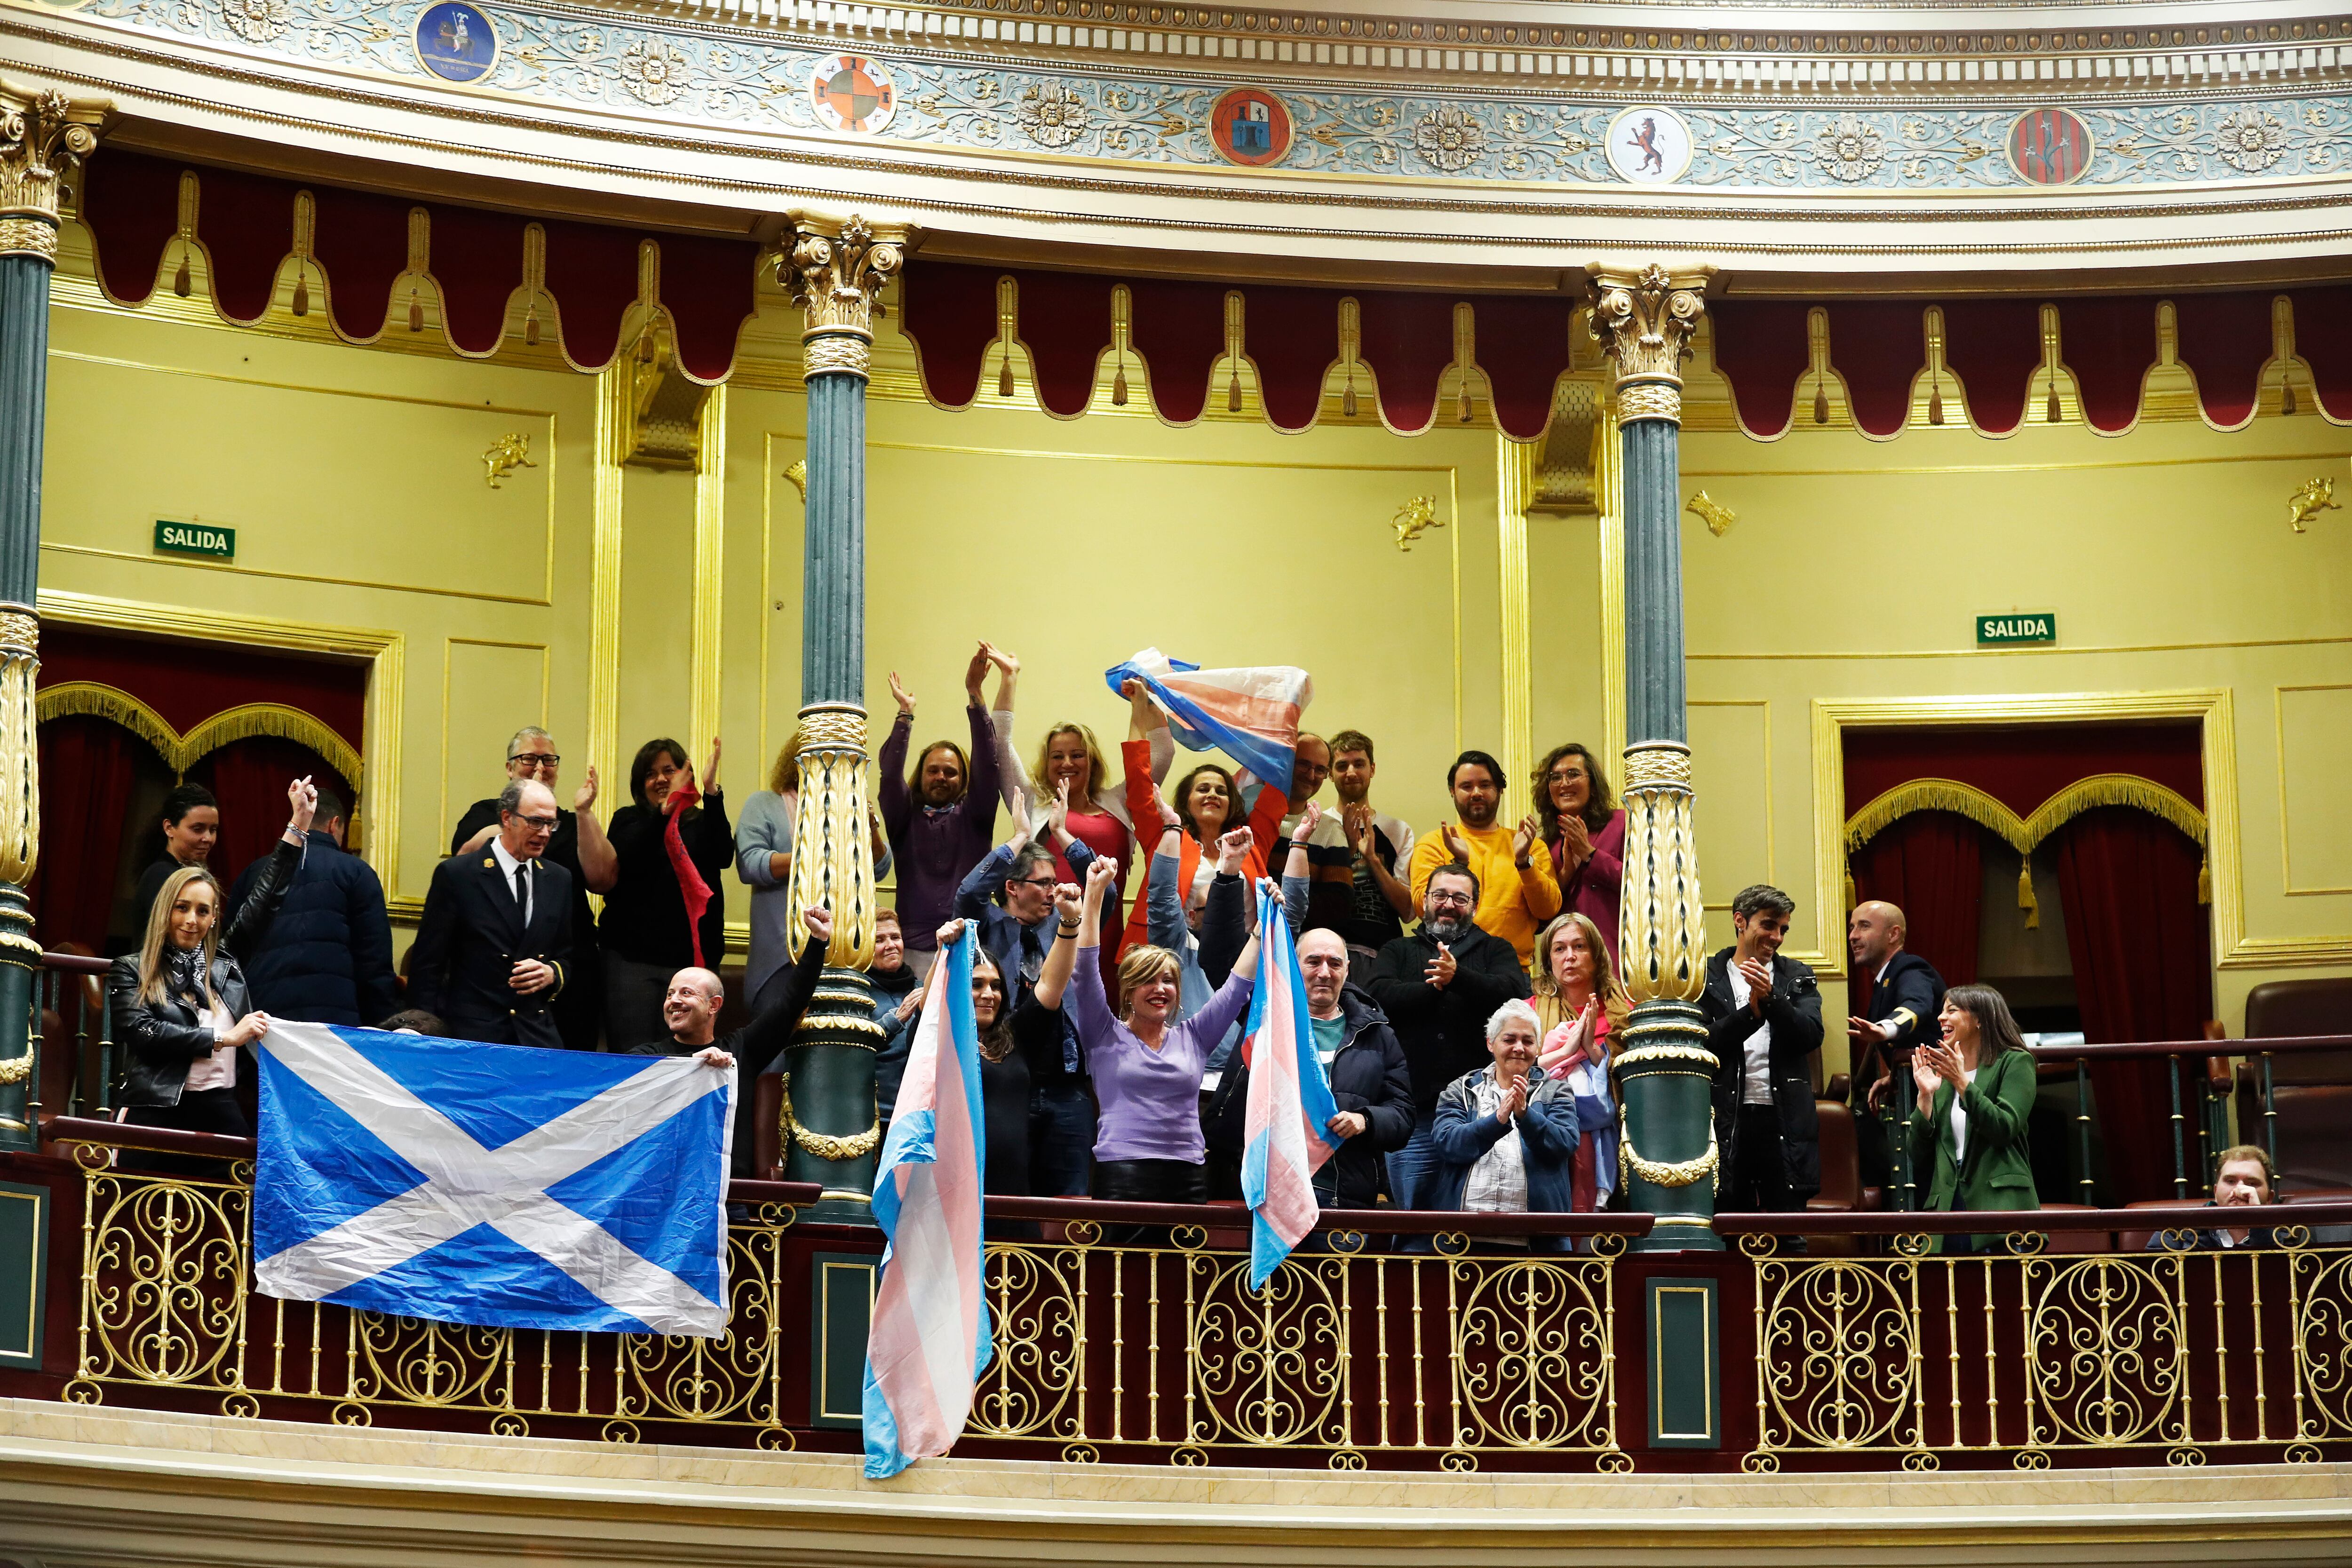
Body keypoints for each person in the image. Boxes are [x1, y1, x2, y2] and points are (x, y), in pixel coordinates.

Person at [109, 777, 312, 1149]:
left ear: (214, 917)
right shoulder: (131, 967)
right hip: (154, 1110)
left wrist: (297, 826)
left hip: (220, 1109)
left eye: (203, 910)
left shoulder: (223, 964)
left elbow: (264, 903)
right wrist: (224, 1038)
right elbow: (144, 1033)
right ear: (164, 910)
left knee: (231, 1205)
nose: (191, 919)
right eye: (182, 908)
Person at [1069, 856, 1261, 1203]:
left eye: (1169, 980)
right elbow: (1084, 969)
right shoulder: (1103, 1032)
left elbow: (1236, 989)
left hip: (1187, 1176)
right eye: (1147, 980)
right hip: (1121, 1175)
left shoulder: (1195, 1036)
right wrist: (1094, 897)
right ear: (1127, 990)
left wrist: (1261, 933)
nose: (1160, 989)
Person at [1206, 924, 1414, 1211]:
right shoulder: (1266, 1027)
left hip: (1344, 1198)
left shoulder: (1378, 1034)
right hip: (1269, 1196)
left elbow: (1403, 1116)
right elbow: (1229, 1109)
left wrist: (1366, 1120)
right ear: (1295, 965)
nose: (1325, 973)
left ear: (1348, 969)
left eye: (1335, 963)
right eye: (1313, 962)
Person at [1367, 862, 1533, 1210]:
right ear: (1425, 900)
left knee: (1479, 1210)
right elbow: (1379, 995)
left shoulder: (1496, 949)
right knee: (1414, 1215)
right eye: (1440, 895)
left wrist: (1459, 978)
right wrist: (1436, 988)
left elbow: (1514, 994)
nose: (1448, 904)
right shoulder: (1397, 949)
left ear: (1475, 905)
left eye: (1460, 898)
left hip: (1483, 1112)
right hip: (1414, 1112)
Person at [985, 645, 1174, 947]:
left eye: (1077, 755)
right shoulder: (1034, 805)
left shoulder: (1120, 803)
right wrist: (1010, 678)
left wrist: (1143, 702)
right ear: (1047, 764)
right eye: (1057, 756)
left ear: (1093, 760)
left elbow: (1162, 752)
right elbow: (1000, 745)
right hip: (1046, 944)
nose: (1067, 764)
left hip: (1109, 941)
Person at [623, 906, 832, 1177]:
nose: (674, 1001)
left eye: (686, 993)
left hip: (729, 1193)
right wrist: (690, 1065)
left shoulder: (742, 1050)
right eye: (670, 994)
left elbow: (791, 1003)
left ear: (714, 1005)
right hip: (661, 1190)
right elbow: (625, 1086)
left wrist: (817, 942)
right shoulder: (648, 1055)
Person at [450, 727, 615, 1051]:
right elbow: (464, 859)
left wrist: (584, 812)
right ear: (510, 768)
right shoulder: (485, 813)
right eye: (529, 758)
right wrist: (523, 813)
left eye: (548, 760)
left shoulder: (568, 823)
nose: (540, 767)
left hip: (566, 967)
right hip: (497, 969)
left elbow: (603, 879)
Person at [1118, 678, 1287, 957]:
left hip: (1241, 961)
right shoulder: (1165, 837)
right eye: (1203, 789)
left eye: (1221, 791)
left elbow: (1276, 790)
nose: (1212, 795)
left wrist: (1283, 717)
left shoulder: (1249, 842)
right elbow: (1138, 781)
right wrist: (1138, 706)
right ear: (1186, 801)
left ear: (1232, 802)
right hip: (1169, 959)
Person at [734, 727, 893, 1016]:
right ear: (799, 761)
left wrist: (869, 825)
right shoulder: (764, 804)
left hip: (846, 954)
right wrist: (817, 854)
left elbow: (880, 869)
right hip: (782, 958)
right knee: (779, 1053)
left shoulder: (848, 809)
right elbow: (751, 863)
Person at [408, 778, 575, 1049]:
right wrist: (422, 1036)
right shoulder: (459, 875)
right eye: (536, 822)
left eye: (551, 824)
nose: (545, 833)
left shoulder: (559, 879)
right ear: (507, 818)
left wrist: (552, 973)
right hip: (473, 1035)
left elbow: (566, 955)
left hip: (536, 1035)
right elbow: (428, 966)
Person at [879, 645, 1007, 977]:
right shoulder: (902, 817)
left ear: (963, 778)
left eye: (950, 772)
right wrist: (905, 715)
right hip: (915, 948)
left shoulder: (975, 815)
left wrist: (975, 695)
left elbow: (989, 765)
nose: (940, 777)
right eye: (933, 770)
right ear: (921, 775)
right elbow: (890, 774)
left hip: (970, 944)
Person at [599, 737, 731, 1053]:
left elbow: (724, 854)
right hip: (633, 963)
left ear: (684, 775)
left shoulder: (700, 822)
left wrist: (711, 790)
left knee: (687, 1061)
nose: (659, 779)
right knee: (634, 1059)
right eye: (650, 774)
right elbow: (628, 861)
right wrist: (663, 813)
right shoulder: (628, 820)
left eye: (668, 770)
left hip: (693, 964)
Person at [227, 782, 397, 1028]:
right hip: (335, 1020)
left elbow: (231, 953)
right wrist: (382, 1027)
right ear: (334, 824)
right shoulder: (358, 873)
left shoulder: (253, 873)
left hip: (262, 1019)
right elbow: (374, 961)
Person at [1702, 885, 1826, 1214]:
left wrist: (1771, 1000)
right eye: (1769, 925)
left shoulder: (1796, 976)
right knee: (1728, 1223)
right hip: (1726, 1115)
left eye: (1783, 929)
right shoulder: (1707, 976)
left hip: (1783, 1116)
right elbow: (1702, 1042)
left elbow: (1811, 1034)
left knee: (1789, 1231)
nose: (1777, 937)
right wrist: (1751, 1014)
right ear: (1740, 921)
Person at [1423, 999, 1583, 1250]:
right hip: (1463, 1240)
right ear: (1491, 1043)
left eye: (1528, 1041)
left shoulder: (1557, 1091)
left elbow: (1565, 1143)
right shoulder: (1462, 1089)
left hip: (1536, 1242)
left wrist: (1525, 1116)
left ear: (1538, 1047)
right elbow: (1448, 1143)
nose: (1519, 1048)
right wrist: (1497, 1121)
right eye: (1510, 1040)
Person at [1907, 983, 2038, 1250]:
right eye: (1942, 1012)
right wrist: (1925, 1098)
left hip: (2000, 1206)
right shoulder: (1943, 1075)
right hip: (1947, 1208)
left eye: (1952, 1010)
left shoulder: (2015, 1063)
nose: (1941, 1018)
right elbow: (1917, 1155)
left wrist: (1963, 1084)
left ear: (1979, 1019)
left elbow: (2004, 1127)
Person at [1405, 751, 1562, 969]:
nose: (1476, 793)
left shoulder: (1530, 845)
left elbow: (1548, 910)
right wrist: (1458, 864)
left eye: (1485, 785)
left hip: (1513, 970)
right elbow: (1423, 908)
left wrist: (1524, 862)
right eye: (1466, 787)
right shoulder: (1434, 844)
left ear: (1500, 790)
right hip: (1448, 967)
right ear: (1453, 792)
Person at [1528, 910, 1630, 1211]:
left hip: (1615, 1135)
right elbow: (1513, 1073)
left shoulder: (1626, 1013)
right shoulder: (1528, 1013)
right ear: (1549, 962)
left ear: (1597, 955)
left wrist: (1591, 1048)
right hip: (1548, 1130)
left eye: (1580, 947)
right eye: (1559, 949)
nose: (1569, 957)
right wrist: (1564, 1053)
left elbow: (1633, 1075)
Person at [1848, 899, 1948, 1203]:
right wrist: (1893, 1075)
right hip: (1914, 1091)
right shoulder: (1884, 981)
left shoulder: (1910, 967)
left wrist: (1885, 1029)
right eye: (1852, 927)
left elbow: (1917, 1006)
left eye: (1864, 926)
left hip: (1938, 1098)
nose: (1853, 935)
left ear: (1893, 934)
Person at [1532, 743, 1626, 970]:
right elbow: (1538, 922)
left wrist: (1589, 855)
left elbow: (1643, 888)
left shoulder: (1623, 823)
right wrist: (1565, 876)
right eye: (1555, 778)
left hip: (1617, 960)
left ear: (1593, 784)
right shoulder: (1544, 844)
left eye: (1573, 774)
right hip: (1566, 968)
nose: (1564, 783)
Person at [1327, 730, 1416, 966]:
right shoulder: (1317, 825)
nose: (1351, 772)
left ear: (1372, 769)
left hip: (1385, 955)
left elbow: (1408, 912)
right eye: (1342, 766)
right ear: (1329, 773)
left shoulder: (1398, 830)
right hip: (1330, 953)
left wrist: (1372, 860)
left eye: (1359, 764)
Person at [2145, 1146, 2280, 1251]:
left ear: (2270, 1198)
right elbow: (2152, 1279)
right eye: (2231, 1181)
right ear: (2216, 1191)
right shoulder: (2177, 1232)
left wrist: (2260, 1224)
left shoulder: (2289, 1236)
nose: (2240, 1190)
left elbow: (2280, 1280)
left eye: (2252, 1184)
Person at [132, 782, 221, 927]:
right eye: (197, 829)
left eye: (213, 830)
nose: (208, 838)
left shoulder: (177, 872)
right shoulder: (161, 875)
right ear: (169, 828)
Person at [869, 909, 923, 1114]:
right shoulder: (856, 993)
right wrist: (896, 1019)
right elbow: (853, 1049)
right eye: (879, 940)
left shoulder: (920, 988)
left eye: (895, 937)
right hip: (877, 1113)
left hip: (919, 1112)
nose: (890, 945)